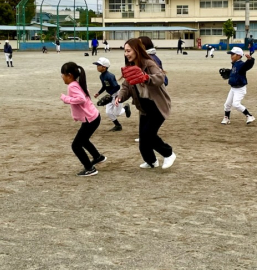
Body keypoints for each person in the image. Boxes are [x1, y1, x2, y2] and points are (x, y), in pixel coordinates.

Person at [115, 38, 176, 169]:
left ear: (137, 50)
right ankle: (151, 161)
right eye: (125, 51)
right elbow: (126, 86)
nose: (126, 53)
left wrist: (146, 77)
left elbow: (160, 78)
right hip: (144, 106)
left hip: (157, 105)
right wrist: (119, 97)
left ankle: (169, 154)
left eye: (128, 50)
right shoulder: (130, 67)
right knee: (143, 138)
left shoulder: (149, 63)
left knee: (149, 135)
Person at [60, 62, 106, 177]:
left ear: (69, 75)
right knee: (84, 140)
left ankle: (90, 168)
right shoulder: (77, 83)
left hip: (90, 119)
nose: (62, 77)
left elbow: (81, 99)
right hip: (93, 117)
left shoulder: (72, 86)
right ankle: (97, 157)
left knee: (76, 145)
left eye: (63, 74)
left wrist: (66, 99)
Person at [93, 57, 131, 132]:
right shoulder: (101, 76)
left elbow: (117, 87)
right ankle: (118, 125)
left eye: (98, 65)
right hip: (110, 95)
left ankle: (126, 108)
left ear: (104, 67)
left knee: (117, 113)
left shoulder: (110, 76)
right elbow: (105, 86)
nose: (97, 67)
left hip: (117, 95)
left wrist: (110, 94)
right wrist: (98, 93)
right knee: (108, 112)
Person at [221, 47, 255, 125]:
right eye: (231, 54)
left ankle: (249, 116)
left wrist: (250, 60)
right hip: (233, 88)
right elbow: (235, 73)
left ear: (239, 55)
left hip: (240, 89)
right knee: (227, 104)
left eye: (233, 54)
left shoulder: (242, 64)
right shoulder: (235, 64)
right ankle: (226, 118)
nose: (231, 56)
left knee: (236, 104)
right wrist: (229, 73)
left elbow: (248, 65)